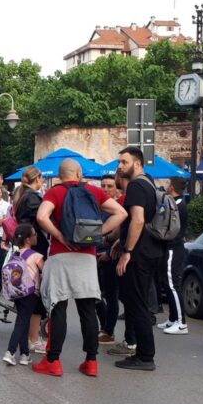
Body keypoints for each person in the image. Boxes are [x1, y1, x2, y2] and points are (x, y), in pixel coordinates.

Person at [34, 158, 126, 377]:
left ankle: (53, 361)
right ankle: (91, 361)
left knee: (59, 309)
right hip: (86, 257)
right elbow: (121, 213)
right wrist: (98, 233)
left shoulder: (55, 193)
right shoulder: (93, 192)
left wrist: (57, 235)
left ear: (61, 174)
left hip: (60, 255)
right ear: (79, 173)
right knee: (87, 310)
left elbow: (41, 216)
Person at [114, 147, 161, 371]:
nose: (120, 166)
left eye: (124, 162)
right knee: (137, 303)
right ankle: (143, 353)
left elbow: (138, 220)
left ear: (138, 164)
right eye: (119, 162)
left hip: (139, 254)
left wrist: (127, 251)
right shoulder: (149, 183)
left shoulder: (136, 185)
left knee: (137, 304)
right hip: (149, 252)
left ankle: (145, 356)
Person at [11, 166, 48, 353]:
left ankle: (29, 336)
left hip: (25, 249)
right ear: (38, 178)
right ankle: (33, 338)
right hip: (35, 249)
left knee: (28, 293)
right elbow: (42, 220)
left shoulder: (22, 196)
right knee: (36, 294)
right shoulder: (33, 198)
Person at [2, 224, 43, 367]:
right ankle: (10, 352)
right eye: (34, 234)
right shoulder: (37, 256)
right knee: (21, 323)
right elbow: (45, 273)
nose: (36, 236)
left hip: (18, 293)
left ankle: (25, 354)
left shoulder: (16, 254)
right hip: (30, 293)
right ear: (28, 239)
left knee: (23, 321)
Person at [156, 177, 190, 335]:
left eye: (169, 183)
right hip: (170, 247)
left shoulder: (177, 205)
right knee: (167, 283)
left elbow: (171, 227)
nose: (167, 186)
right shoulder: (175, 203)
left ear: (172, 187)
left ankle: (181, 323)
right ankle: (173, 318)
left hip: (173, 247)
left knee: (172, 284)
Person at [97, 174, 121, 344]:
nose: (105, 189)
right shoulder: (97, 206)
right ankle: (104, 326)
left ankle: (108, 330)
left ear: (116, 189)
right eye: (103, 185)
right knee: (94, 296)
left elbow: (119, 233)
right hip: (93, 255)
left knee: (111, 295)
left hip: (110, 256)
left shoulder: (118, 208)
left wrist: (107, 251)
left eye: (109, 186)